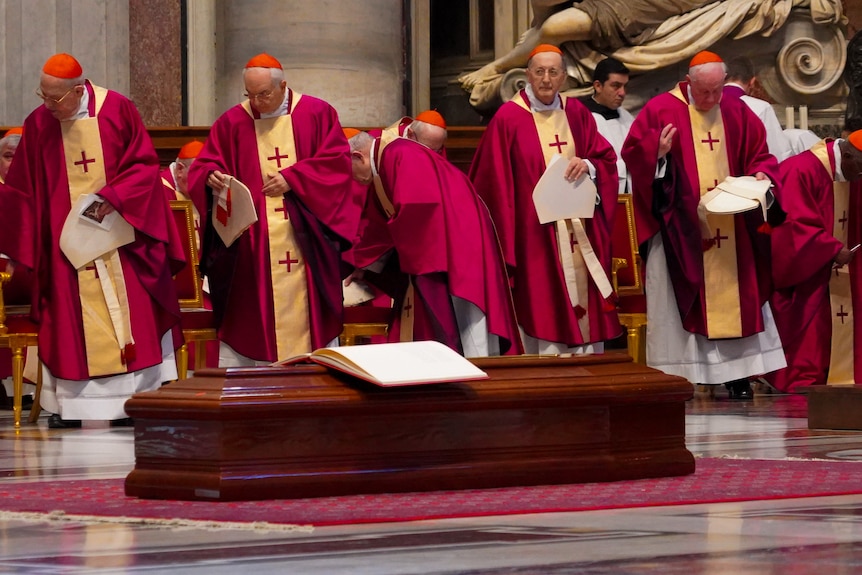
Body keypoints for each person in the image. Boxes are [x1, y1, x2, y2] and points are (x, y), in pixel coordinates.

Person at [0, 53, 184, 427]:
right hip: (66, 248)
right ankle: (75, 407)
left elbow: (143, 167)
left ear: (79, 90)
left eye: (56, 98)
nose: (49, 106)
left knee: (134, 317)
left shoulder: (118, 110)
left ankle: (136, 400)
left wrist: (112, 199)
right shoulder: (39, 123)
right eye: (44, 96)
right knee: (69, 323)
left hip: (121, 237)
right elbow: (22, 188)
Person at [621, 50, 785, 400]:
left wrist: (762, 174)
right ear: (689, 82)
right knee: (680, 298)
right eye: (703, 91)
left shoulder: (737, 109)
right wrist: (658, 151)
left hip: (734, 229)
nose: (710, 99)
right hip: (681, 229)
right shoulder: (661, 109)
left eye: (716, 91)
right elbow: (633, 152)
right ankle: (681, 375)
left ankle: (738, 375)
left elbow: (762, 155)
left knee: (737, 298)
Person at [187, 53, 361, 366]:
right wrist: (210, 175)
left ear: (283, 86)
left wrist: (293, 177)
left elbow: (336, 163)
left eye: (264, 94)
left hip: (305, 239)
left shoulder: (317, 113)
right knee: (252, 318)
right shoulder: (231, 121)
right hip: (252, 245)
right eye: (250, 94)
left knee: (309, 317)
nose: (257, 102)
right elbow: (204, 165)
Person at [469, 44, 621, 354]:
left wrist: (588, 164)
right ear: (527, 76)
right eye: (539, 72)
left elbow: (605, 158)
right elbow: (491, 182)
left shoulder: (577, 113)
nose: (547, 79)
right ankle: (543, 369)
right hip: (534, 235)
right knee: (541, 298)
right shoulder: (508, 119)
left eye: (554, 72)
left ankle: (585, 368)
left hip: (580, 230)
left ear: (564, 77)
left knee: (582, 297)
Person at [348, 130, 522, 357]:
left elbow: (417, 208)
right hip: (446, 238)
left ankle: (478, 371)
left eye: (348, 170)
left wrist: (379, 260)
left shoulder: (399, 154)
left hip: (460, 240)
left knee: (468, 317)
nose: (352, 179)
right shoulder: (385, 161)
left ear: (358, 156)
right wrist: (363, 264)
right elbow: (381, 223)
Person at [768, 132, 862, 393]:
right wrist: (831, 250)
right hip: (808, 268)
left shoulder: (853, 168)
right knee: (812, 323)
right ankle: (805, 375)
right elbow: (790, 224)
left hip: (847, 272)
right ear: (849, 155)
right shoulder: (801, 170)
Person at [579, 57, 634, 194]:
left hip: (629, 196)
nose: (622, 93)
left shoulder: (627, 117)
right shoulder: (581, 117)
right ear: (598, 86)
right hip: (596, 196)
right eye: (616, 86)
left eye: (624, 86)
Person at [723, 56, 792, 162]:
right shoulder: (760, 107)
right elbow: (778, 153)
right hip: (749, 175)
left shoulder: (709, 105)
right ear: (752, 82)